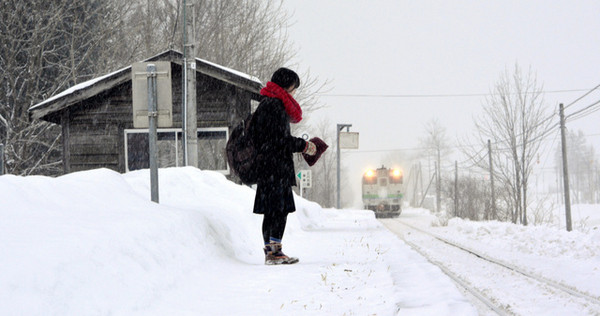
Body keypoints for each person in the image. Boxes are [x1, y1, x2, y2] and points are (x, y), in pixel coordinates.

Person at [249, 67, 317, 265]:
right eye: (293, 88)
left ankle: (271, 252)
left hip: (266, 168)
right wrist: (304, 145)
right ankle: (275, 253)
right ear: (286, 86)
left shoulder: (265, 104)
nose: (294, 92)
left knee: (271, 211)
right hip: (276, 168)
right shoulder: (276, 106)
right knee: (279, 210)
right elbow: (280, 141)